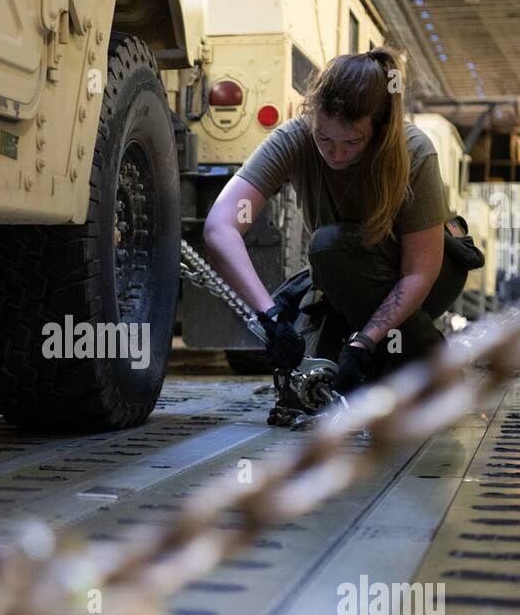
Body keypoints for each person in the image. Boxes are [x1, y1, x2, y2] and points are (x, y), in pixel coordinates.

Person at [201, 47, 478, 395]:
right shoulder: (294, 139)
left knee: (327, 247)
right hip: (349, 273)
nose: (335, 154)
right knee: (317, 372)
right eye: (324, 138)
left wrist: (364, 342)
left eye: (352, 142)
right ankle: (385, 358)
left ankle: (431, 360)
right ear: (312, 117)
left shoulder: (414, 150)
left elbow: (419, 271)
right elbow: (219, 228)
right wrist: (268, 315)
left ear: (377, 130)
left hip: (429, 272)